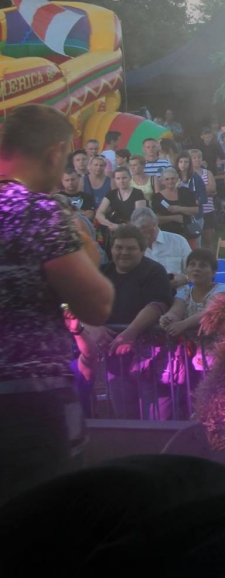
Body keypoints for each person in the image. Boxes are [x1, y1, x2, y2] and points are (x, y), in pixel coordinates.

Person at [0, 106, 114, 503]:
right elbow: (96, 305)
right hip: (30, 404)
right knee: (44, 519)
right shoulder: (36, 210)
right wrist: (84, 247)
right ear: (54, 153)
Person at [99, 224, 175, 418]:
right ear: (111, 249)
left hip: (152, 361)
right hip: (115, 362)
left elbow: (159, 304)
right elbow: (78, 302)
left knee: (157, 420)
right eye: (119, 247)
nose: (124, 252)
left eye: (131, 248)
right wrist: (91, 326)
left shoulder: (154, 271)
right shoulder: (101, 272)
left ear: (142, 250)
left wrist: (131, 332)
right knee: (125, 418)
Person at [132, 207, 191, 291]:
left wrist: (185, 279)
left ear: (156, 223)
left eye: (150, 231)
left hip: (178, 293)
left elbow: (194, 271)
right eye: (142, 233)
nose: (147, 236)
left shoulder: (178, 241)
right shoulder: (133, 248)